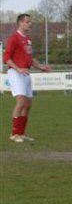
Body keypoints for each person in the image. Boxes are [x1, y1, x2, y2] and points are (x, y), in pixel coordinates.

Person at [3, 14, 51, 143]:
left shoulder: (27, 39)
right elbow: (6, 57)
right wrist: (18, 69)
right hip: (16, 72)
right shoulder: (14, 38)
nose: (30, 24)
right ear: (21, 23)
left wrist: (41, 67)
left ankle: (21, 133)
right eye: (28, 22)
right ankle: (14, 134)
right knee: (21, 102)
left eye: (30, 22)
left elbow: (30, 59)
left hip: (25, 72)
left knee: (28, 104)